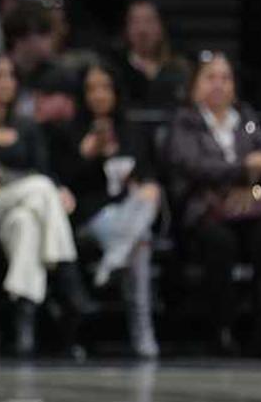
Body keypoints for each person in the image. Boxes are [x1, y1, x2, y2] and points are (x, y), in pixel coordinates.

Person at [0, 53, 93, 357]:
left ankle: (23, 326)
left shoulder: (27, 127)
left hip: (18, 209)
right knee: (39, 190)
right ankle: (66, 273)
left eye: (10, 75)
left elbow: (43, 169)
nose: (5, 82)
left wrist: (61, 189)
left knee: (26, 220)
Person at [168, 51, 261, 354]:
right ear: (195, 85)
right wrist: (244, 169)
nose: (218, 85)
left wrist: (260, 170)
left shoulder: (245, 118)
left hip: (250, 205)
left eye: (225, 78)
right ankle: (221, 328)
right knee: (219, 242)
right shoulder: (185, 122)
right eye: (210, 78)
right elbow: (192, 165)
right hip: (207, 208)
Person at [56, 64, 161, 358]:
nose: (99, 95)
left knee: (147, 210)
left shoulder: (132, 131)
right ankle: (143, 333)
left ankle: (117, 254)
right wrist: (87, 156)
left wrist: (147, 185)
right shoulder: (72, 131)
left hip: (130, 211)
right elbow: (66, 185)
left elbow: (148, 174)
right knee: (139, 240)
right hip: (92, 217)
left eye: (105, 87)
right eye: (92, 88)